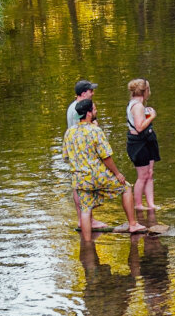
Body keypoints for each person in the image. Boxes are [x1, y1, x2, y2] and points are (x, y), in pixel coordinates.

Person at [62, 99, 146, 240]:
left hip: (80, 179)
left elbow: (66, 157)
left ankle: (88, 244)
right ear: (88, 113)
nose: (96, 111)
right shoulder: (95, 130)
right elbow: (106, 156)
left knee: (85, 209)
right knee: (126, 188)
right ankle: (133, 224)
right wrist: (117, 173)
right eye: (94, 109)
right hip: (97, 176)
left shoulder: (69, 132)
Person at [66, 81, 97, 226]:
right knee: (80, 185)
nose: (93, 93)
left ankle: (84, 219)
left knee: (77, 184)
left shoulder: (74, 106)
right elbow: (81, 129)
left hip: (75, 150)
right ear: (84, 93)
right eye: (91, 91)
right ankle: (85, 220)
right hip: (80, 150)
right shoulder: (77, 110)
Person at [126, 78, 160, 212]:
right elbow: (139, 127)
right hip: (138, 142)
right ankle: (138, 204)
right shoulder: (137, 106)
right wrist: (152, 116)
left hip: (147, 140)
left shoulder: (138, 104)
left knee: (149, 173)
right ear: (145, 91)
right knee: (142, 176)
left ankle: (151, 204)